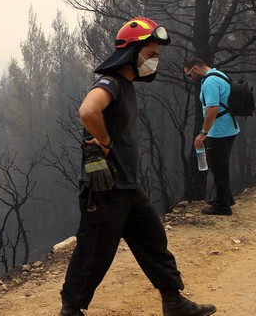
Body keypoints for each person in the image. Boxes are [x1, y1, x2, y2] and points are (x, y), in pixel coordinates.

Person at [59, 17, 217, 316]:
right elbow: (88, 110)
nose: (154, 61)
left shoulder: (127, 86)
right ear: (131, 53)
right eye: (151, 55)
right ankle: (70, 310)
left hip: (128, 186)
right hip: (107, 189)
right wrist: (104, 141)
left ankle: (173, 301)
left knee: (153, 240)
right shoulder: (111, 83)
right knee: (95, 251)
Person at [184, 57, 239, 215]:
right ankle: (226, 197)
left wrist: (202, 133)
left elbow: (212, 110)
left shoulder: (209, 82)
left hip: (220, 130)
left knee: (219, 166)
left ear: (195, 68)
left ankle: (222, 206)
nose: (190, 78)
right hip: (227, 127)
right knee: (218, 165)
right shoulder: (218, 74)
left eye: (189, 75)